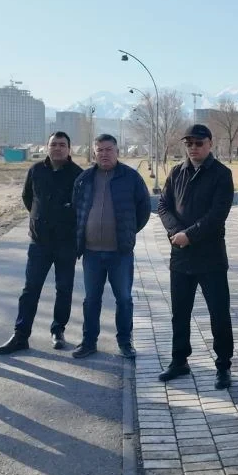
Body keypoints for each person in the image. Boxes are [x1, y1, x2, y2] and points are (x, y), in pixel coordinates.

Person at [156, 125, 236, 390]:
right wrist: (176, 232)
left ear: (210, 144)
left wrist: (189, 235)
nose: (193, 148)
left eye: (198, 143)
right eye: (189, 144)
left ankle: (223, 366)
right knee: (180, 313)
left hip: (210, 257)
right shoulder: (176, 172)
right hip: (180, 256)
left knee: (219, 314)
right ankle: (179, 361)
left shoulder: (222, 174)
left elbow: (217, 215)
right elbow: (163, 205)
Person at [0, 132, 81, 354]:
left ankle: (58, 330)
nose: (58, 148)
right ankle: (21, 334)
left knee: (64, 289)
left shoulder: (78, 175)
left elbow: (82, 208)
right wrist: (38, 219)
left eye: (62, 145)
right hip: (39, 243)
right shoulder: (36, 170)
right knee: (30, 289)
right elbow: (28, 198)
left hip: (66, 243)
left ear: (69, 149)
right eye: (54, 144)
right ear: (47, 147)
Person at [72, 134, 151, 359]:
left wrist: (128, 232)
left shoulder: (131, 178)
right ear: (94, 152)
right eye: (100, 150)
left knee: (124, 299)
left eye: (109, 149)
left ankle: (125, 342)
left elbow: (144, 209)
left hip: (120, 253)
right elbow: (77, 209)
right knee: (91, 299)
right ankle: (89, 342)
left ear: (117, 151)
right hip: (91, 253)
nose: (104, 154)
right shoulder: (84, 179)